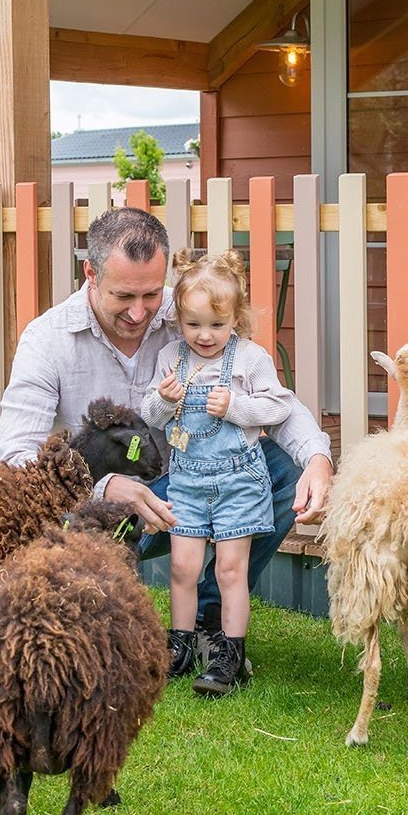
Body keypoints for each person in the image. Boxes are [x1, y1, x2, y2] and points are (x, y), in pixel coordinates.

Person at [0, 207, 333, 673]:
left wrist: (317, 458)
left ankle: (212, 621)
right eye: (123, 295)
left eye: (151, 294)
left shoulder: (192, 312)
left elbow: (274, 402)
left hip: (189, 484)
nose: (139, 312)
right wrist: (104, 486)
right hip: (99, 512)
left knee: (281, 470)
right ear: (91, 274)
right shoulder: (47, 340)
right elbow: (13, 457)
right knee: (89, 629)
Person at [140, 250, 293, 696]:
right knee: (182, 567)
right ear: (179, 320)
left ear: (236, 319)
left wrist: (236, 407)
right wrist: (165, 400)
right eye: (193, 324)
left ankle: (230, 653)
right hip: (187, 481)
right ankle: (180, 645)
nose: (204, 335)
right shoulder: (171, 358)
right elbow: (150, 414)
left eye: (216, 325)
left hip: (237, 481)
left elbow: (277, 406)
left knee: (229, 569)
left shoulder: (249, 359)